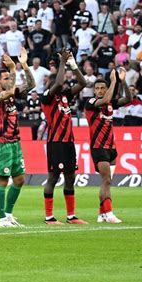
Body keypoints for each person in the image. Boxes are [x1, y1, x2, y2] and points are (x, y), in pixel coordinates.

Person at [0, 48, 35, 227]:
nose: (8, 81)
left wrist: (24, 65)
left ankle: (8, 215)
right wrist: (13, 69)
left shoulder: (12, 95)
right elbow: (7, 93)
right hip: (2, 143)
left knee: (20, 179)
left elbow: (31, 85)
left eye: (9, 78)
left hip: (15, 143)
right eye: (5, 78)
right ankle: (1, 219)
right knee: (3, 180)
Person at [40, 49, 88, 225]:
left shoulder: (65, 97)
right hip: (56, 142)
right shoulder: (46, 97)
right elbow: (59, 82)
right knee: (53, 177)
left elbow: (83, 83)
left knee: (70, 177)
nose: (66, 84)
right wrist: (62, 62)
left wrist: (73, 65)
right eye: (63, 83)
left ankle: (71, 216)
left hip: (69, 142)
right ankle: (49, 217)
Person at [85, 68, 132, 223]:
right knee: (106, 180)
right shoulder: (91, 102)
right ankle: (109, 213)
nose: (99, 91)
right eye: (97, 88)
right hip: (98, 148)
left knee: (106, 181)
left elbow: (128, 99)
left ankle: (101, 214)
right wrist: (113, 81)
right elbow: (104, 100)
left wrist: (123, 81)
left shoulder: (110, 103)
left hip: (111, 148)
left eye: (102, 88)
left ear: (106, 90)